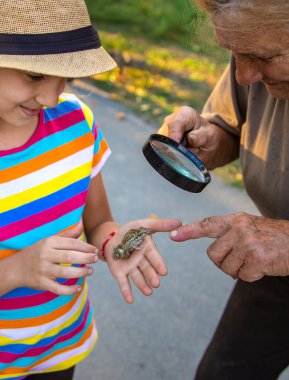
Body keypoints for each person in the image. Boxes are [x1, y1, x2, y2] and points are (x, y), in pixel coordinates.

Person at [0, 1, 181, 379]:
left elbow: (98, 220)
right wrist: (17, 269)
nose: (51, 98)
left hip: (61, 347)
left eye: (65, 78)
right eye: (35, 75)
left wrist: (114, 241)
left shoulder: (75, 122)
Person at [159, 0, 289, 379]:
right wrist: (208, 138)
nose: (245, 75)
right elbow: (231, 127)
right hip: (272, 263)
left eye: (262, 57)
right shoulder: (254, 57)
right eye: (234, 55)